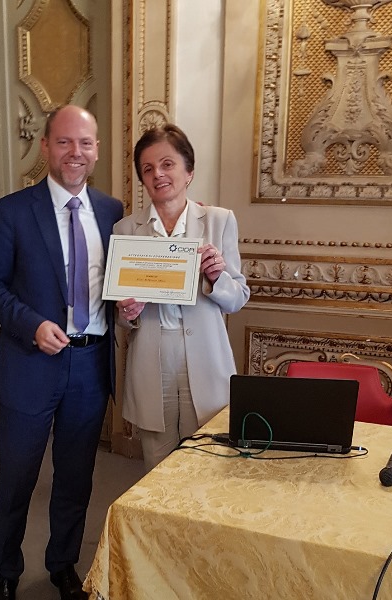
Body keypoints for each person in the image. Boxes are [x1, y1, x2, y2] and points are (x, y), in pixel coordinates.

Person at [0, 105, 123, 600]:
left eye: (85, 143)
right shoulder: (13, 211)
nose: (75, 152)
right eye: (64, 142)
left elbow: (122, 284)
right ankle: (6, 571)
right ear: (45, 147)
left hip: (90, 366)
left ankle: (62, 564)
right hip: (30, 365)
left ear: (96, 150)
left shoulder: (114, 212)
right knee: (17, 477)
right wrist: (30, 324)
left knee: (76, 478)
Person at [115, 123, 250, 471]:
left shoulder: (219, 221)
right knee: (157, 465)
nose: (158, 174)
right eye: (148, 169)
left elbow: (237, 299)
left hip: (205, 355)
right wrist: (127, 312)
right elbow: (121, 318)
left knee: (206, 463)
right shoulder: (126, 229)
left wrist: (217, 277)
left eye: (167, 164)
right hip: (151, 357)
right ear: (142, 179)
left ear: (188, 171)